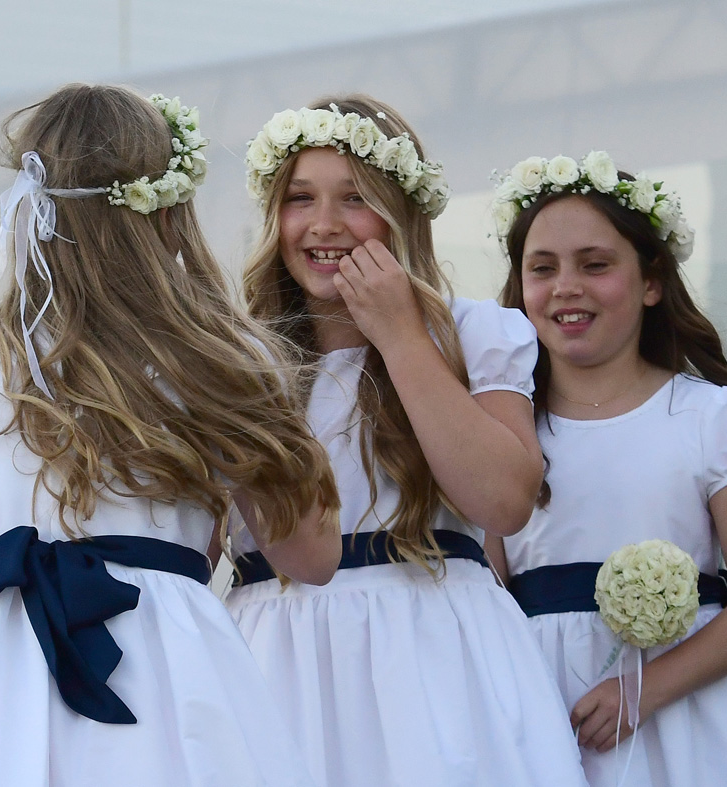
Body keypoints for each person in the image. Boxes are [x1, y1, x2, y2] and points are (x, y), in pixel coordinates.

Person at [0, 83, 342, 787]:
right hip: (170, 677)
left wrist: (0, 636)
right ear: (168, 216)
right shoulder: (220, 367)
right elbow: (311, 555)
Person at [221, 95, 589, 787]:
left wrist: (398, 334)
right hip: (278, 659)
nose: (324, 224)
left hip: (435, 655)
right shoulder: (239, 358)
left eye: (355, 198)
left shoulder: (475, 332)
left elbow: (504, 502)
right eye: (300, 198)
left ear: (400, 213)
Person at [494, 151, 727, 786]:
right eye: (543, 269)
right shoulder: (503, 433)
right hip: (546, 719)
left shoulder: (711, 416)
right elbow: (491, 592)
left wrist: (647, 689)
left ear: (650, 282)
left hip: (688, 718)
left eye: (595, 265)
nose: (566, 286)